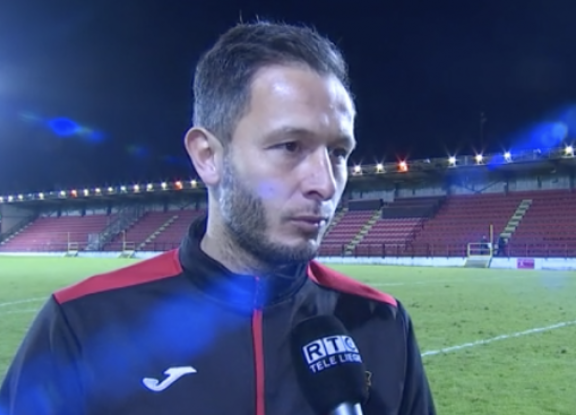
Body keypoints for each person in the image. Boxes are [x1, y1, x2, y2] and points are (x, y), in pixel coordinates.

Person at [0, 21, 436, 415]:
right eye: (290, 146)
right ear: (208, 156)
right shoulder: (83, 323)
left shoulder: (383, 323)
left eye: (338, 153)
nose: (324, 183)